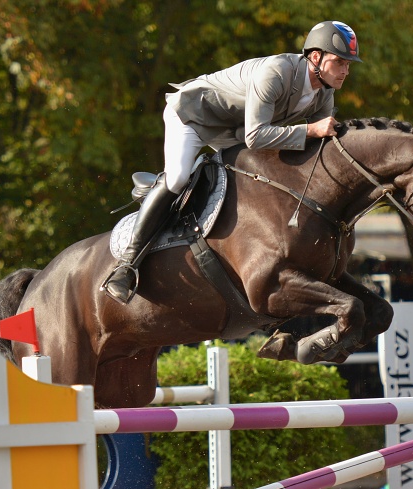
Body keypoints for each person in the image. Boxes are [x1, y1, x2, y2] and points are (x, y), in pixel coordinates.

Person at [102, 20, 362, 304]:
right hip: (194, 115)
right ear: (315, 57)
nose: (346, 70)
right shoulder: (276, 72)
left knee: (258, 180)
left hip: (232, 131)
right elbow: (256, 136)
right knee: (177, 177)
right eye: (339, 62)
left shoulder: (324, 92)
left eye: (348, 64)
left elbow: (314, 146)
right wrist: (311, 130)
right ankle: (126, 266)